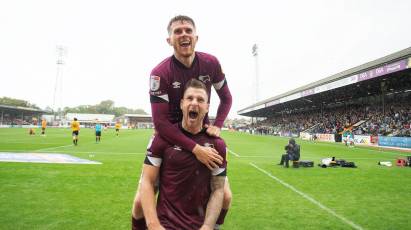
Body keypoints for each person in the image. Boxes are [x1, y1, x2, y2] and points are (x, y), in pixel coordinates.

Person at [132, 15, 233, 229]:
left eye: (188, 30)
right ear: (169, 40)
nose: (183, 34)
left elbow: (227, 98)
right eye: (177, 31)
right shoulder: (160, 73)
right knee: (140, 202)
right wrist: (195, 149)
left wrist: (218, 124)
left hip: (201, 134)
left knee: (225, 197)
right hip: (169, 136)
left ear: (196, 37)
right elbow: (160, 123)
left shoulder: (211, 63)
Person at [140, 79, 227, 230]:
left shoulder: (217, 144)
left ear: (207, 108)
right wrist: (154, 225)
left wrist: (207, 226)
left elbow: (218, 189)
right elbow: (147, 181)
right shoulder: (163, 139)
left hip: (199, 226)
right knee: (136, 206)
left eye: (200, 100)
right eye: (189, 98)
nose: (194, 103)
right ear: (181, 104)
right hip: (165, 225)